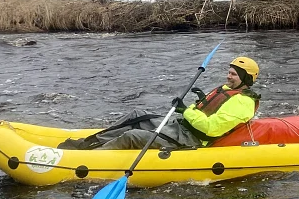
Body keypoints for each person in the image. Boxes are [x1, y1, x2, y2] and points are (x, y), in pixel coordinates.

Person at [58, 57, 261, 150]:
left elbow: (211, 128)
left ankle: (91, 158)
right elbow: (205, 113)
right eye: (229, 72)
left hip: (192, 139)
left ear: (246, 78)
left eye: (233, 74)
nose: (228, 76)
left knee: (133, 135)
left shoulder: (243, 103)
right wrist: (200, 102)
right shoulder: (227, 90)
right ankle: (89, 143)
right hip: (181, 126)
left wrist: (186, 110)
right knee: (137, 115)